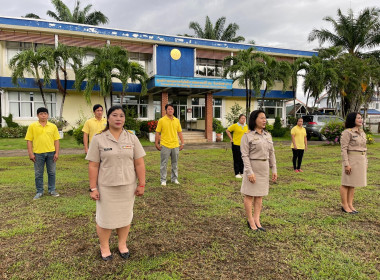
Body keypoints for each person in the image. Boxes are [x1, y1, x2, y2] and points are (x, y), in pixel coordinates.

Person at [85, 105, 146, 261]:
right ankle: (104, 247)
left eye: (122, 116)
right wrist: (93, 188)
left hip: (128, 186)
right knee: (105, 219)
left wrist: (141, 184)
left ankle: (122, 244)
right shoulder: (99, 139)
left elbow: (139, 163)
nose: (119, 118)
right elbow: (93, 165)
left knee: (125, 218)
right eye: (115, 115)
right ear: (108, 118)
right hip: (106, 187)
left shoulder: (132, 138)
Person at [240, 110, 277, 232]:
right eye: (261, 118)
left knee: (260, 196)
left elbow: (272, 153)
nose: (264, 120)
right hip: (253, 167)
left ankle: (257, 219)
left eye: (265, 118)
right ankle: (250, 220)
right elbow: (244, 155)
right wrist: (249, 172)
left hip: (264, 168)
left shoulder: (268, 135)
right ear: (254, 119)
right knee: (249, 195)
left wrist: (274, 169)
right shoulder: (247, 136)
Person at [25, 107, 60, 200]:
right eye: (41, 114)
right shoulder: (32, 126)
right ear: (37, 115)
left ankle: (52, 190)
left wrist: (57, 153)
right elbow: (29, 140)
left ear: (48, 115)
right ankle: (39, 191)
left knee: (52, 172)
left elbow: (56, 140)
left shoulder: (53, 126)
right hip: (38, 154)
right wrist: (30, 153)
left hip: (51, 153)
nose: (43, 115)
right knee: (38, 173)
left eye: (45, 113)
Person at [340, 112, 367, 214]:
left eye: (361, 118)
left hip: (361, 160)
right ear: (353, 120)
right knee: (346, 183)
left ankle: (350, 204)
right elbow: (344, 149)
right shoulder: (347, 132)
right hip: (351, 160)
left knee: (353, 184)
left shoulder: (362, 132)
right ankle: (344, 205)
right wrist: (347, 164)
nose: (361, 119)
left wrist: (366, 162)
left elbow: (364, 148)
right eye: (358, 118)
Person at [155, 104, 185, 186]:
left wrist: (182, 143)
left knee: (175, 163)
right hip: (165, 145)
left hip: (175, 145)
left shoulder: (177, 120)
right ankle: (163, 180)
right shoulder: (161, 120)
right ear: (166, 110)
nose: (170, 110)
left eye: (172, 109)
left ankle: (174, 179)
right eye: (169, 109)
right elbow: (157, 132)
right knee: (164, 163)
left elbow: (179, 132)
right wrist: (156, 143)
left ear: (173, 110)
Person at [226, 114, 248, 178]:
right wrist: (231, 138)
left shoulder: (246, 126)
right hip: (236, 144)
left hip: (244, 145)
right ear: (239, 119)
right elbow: (227, 130)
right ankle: (237, 173)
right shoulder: (235, 125)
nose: (243, 120)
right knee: (237, 159)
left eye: (244, 118)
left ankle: (242, 172)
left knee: (243, 159)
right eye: (242, 118)